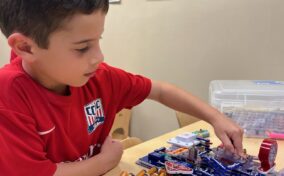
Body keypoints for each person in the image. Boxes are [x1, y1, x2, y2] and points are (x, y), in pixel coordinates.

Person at [0, 0, 243, 176]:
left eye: (98, 41)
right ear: (26, 47)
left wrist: (216, 117)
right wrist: (106, 160)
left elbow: (159, 90)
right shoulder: (9, 94)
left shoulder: (100, 78)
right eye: (83, 47)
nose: (99, 56)